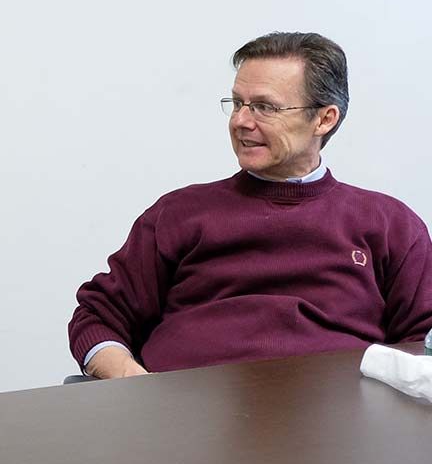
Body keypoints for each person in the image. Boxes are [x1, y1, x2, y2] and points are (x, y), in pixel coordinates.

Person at [69, 31, 432, 379]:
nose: (241, 121)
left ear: (324, 118)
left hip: (339, 423)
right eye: (238, 103)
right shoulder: (179, 213)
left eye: (264, 107)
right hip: (186, 420)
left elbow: (423, 343)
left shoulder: (389, 224)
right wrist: (132, 381)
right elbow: (97, 316)